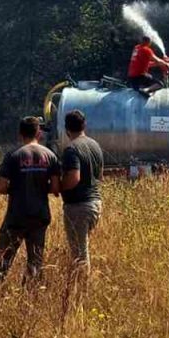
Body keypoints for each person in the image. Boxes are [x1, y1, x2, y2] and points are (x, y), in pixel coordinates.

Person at [0, 116, 61, 285]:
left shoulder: (13, 156)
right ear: (39, 133)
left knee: (2, 262)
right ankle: (30, 297)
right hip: (39, 216)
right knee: (35, 263)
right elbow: (56, 189)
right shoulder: (51, 156)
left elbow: (0, 187)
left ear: (20, 134)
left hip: (16, 216)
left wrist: (15, 188)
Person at [60, 110, 103, 280]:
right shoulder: (95, 145)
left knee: (79, 255)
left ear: (66, 129)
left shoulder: (71, 149)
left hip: (78, 207)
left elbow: (73, 178)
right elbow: (100, 177)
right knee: (82, 247)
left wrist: (58, 188)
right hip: (96, 204)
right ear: (84, 125)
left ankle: (82, 290)